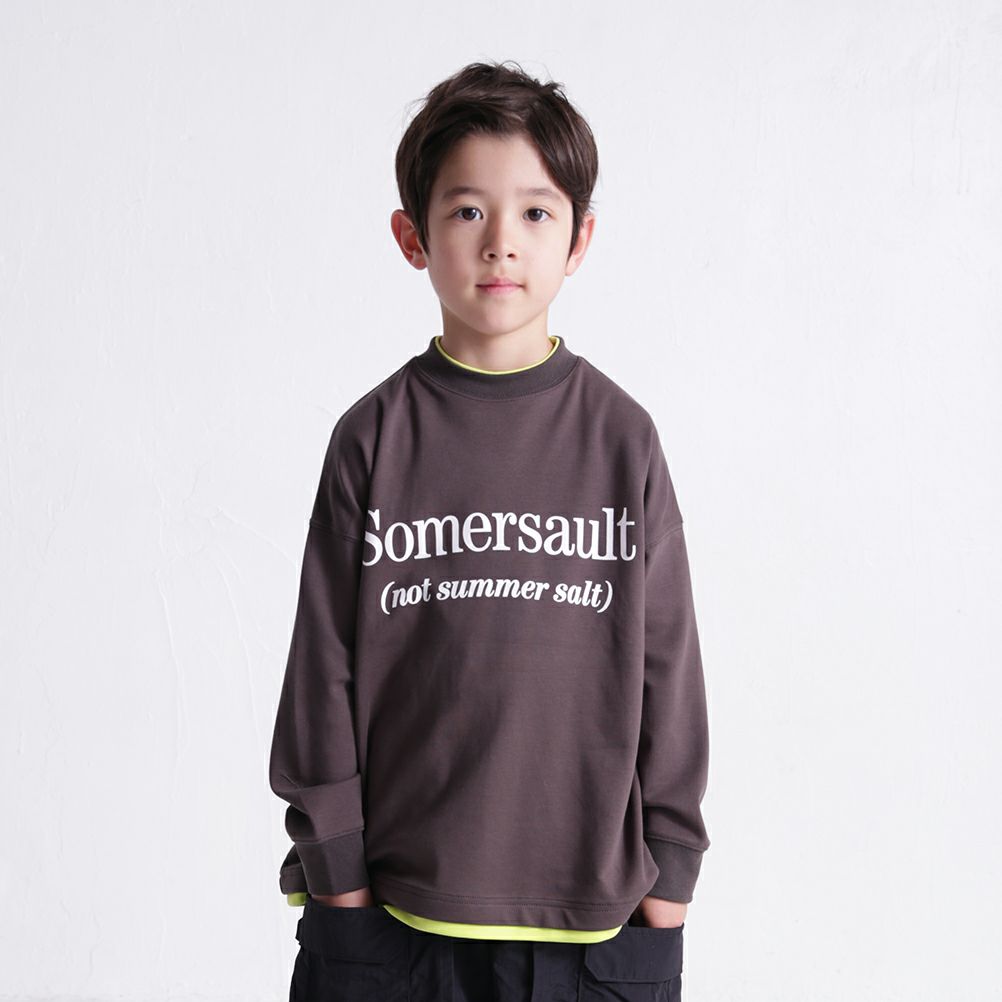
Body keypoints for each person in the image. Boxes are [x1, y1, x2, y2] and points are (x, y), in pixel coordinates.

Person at [269, 59, 711, 1002]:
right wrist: (340, 880)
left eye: (536, 213)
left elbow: (668, 668)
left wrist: (670, 875)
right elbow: (320, 675)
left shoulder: (622, 439)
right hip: (391, 926)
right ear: (413, 236)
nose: (502, 243)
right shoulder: (372, 438)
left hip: (593, 935)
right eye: (468, 210)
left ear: (580, 239)